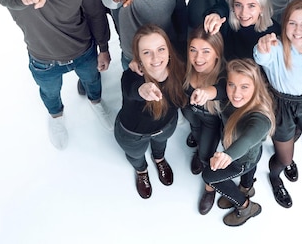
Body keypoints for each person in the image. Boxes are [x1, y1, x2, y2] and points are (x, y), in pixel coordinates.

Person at [0, 0, 112, 150]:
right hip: (43, 61)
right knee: (49, 93)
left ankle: (96, 102)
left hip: (83, 51)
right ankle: (57, 118)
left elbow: (95, 13)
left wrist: (104, 48)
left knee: (92, 81)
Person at [254, 0, 302, 209]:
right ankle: (276, 176)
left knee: (300, 131)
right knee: (285, 158)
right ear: (284, 24)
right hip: (283, 105)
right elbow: (261, 56)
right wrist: (263, 47)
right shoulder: (275, 47)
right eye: (292, 23)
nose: (298, 30)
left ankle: (287, 150)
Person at [114, 24, 188, 199]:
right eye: (146, 52)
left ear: (169, 50)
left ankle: (159, 159)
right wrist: (144, 89)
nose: (155, 57)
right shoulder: (131, 76)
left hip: (166, 126)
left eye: (161, 49)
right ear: (138, 57)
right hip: (132, 134)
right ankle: (142, 171)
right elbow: (133, 88)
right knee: (136, 156)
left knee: (160, 145)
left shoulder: (179, 70)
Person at [202, 58, 275, 227]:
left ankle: (246, 207)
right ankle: (246, 187)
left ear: (255, 86)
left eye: (244, 86)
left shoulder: (261, 117)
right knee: (249, 172)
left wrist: (227, 155)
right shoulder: (230, 98)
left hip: (242, 159)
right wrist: (205, 92)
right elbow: (219, 90)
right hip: (251, 155)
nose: (236, 93)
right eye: (231, 85)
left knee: (209, 176)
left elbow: (247, 139)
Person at [180, 27, 227, 215]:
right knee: (195, 132)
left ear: (217, 53)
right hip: (191, 114)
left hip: (210, 120)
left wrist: (207, 93)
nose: (198, 58)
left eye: (206, 51)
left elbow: (222, 89)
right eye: (193, 50)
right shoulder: (186, 66)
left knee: (206, 157)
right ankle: (198, 146)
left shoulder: (225, 74)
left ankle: (210, 189)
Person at [204, 0, 281, 61]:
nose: (243, 13)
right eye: (238, 5)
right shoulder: (226, 23)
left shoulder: (274, 32)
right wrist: (216, 14)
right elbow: (222, 7)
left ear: (262, 7)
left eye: (251, 6)